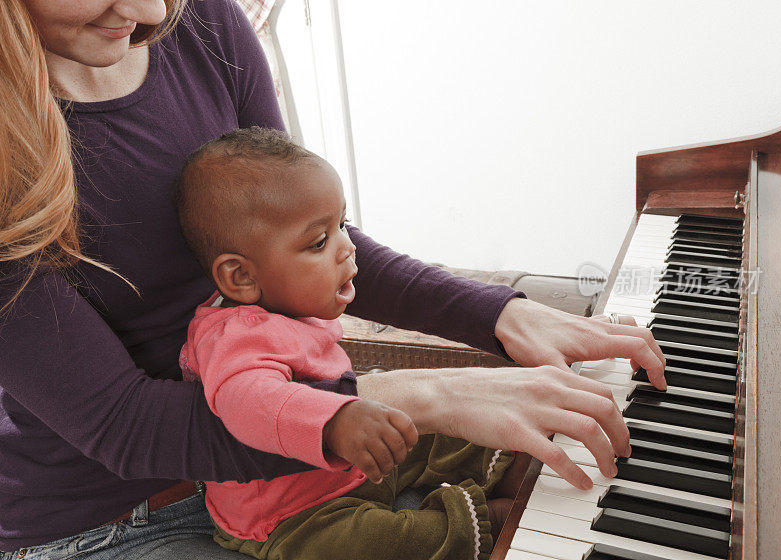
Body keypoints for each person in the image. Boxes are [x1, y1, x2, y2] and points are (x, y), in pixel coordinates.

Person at [0, 0, 666, 558]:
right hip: (117, 519)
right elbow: (127, 426)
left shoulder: (196, 19)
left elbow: (300, 243)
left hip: (298, 458)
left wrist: (499, 316)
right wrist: (412, 396)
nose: (150, 12)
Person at [174, 126, 519, 560]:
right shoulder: (234, 335)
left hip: (350, 466)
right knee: (385, 543)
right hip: (295, 515)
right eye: (319, 241)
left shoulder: (291, 302)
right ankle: (487, 522)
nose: (348, 247)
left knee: (438, 430)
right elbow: (249, 400)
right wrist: (334, 421)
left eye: (342, 224)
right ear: (241, 276)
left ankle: (512, 464)